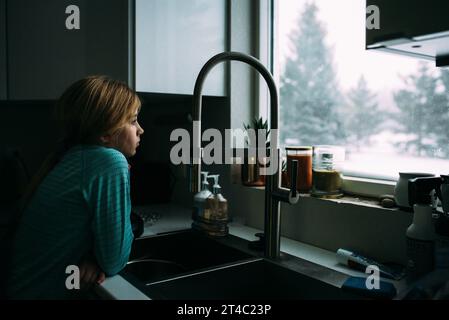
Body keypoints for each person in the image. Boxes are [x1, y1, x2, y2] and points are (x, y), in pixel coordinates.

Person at [5, 76, 144, 299]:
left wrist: (92, 255)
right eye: (133, 120)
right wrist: (101, 258)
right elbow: (115, 260)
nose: (140, 130)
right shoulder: (109, 161)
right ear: (105, 134)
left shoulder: (73, 157)